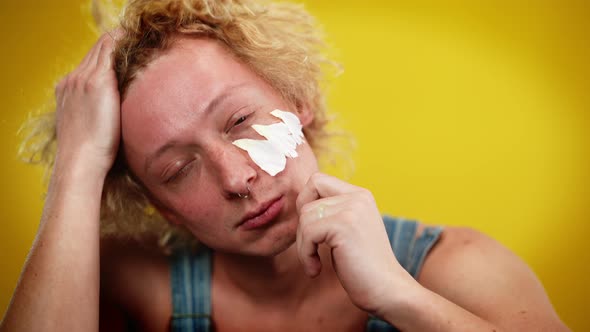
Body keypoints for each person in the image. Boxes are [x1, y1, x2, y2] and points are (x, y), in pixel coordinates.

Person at [0, 0, 570, 331]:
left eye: (241, 120)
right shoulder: (126, 288)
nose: (236, 178)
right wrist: (78, 167)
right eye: (177, 170)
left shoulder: (463, 270)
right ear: (157, 205)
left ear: (301, 101)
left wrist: (402, 298)